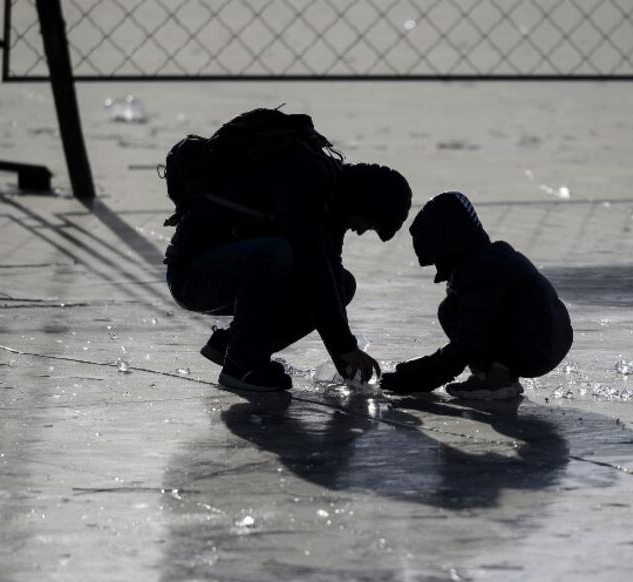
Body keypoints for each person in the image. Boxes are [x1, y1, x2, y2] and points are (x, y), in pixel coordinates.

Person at [163, 111, 411, 392]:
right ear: (366, 203)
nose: (361, 231)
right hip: (193, 274)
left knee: (341, 283)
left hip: (230, 271)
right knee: (275, 253)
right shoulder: (306, 176)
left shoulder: (331, 199)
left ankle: (232, 345)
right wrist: (346, 347)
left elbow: (325, 277)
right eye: (370, 224)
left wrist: (344, 360)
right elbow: (312, 263)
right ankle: (242, 364)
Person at [380, 191, 573, 399]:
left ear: (446, 244)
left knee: (451, 311)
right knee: (453, 308)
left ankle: (494, 378)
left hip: (536, 346)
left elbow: (468, 341)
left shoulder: (480, 271)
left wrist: (417, 377)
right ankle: (499, 374)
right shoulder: (491, 258)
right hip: (552, 338)